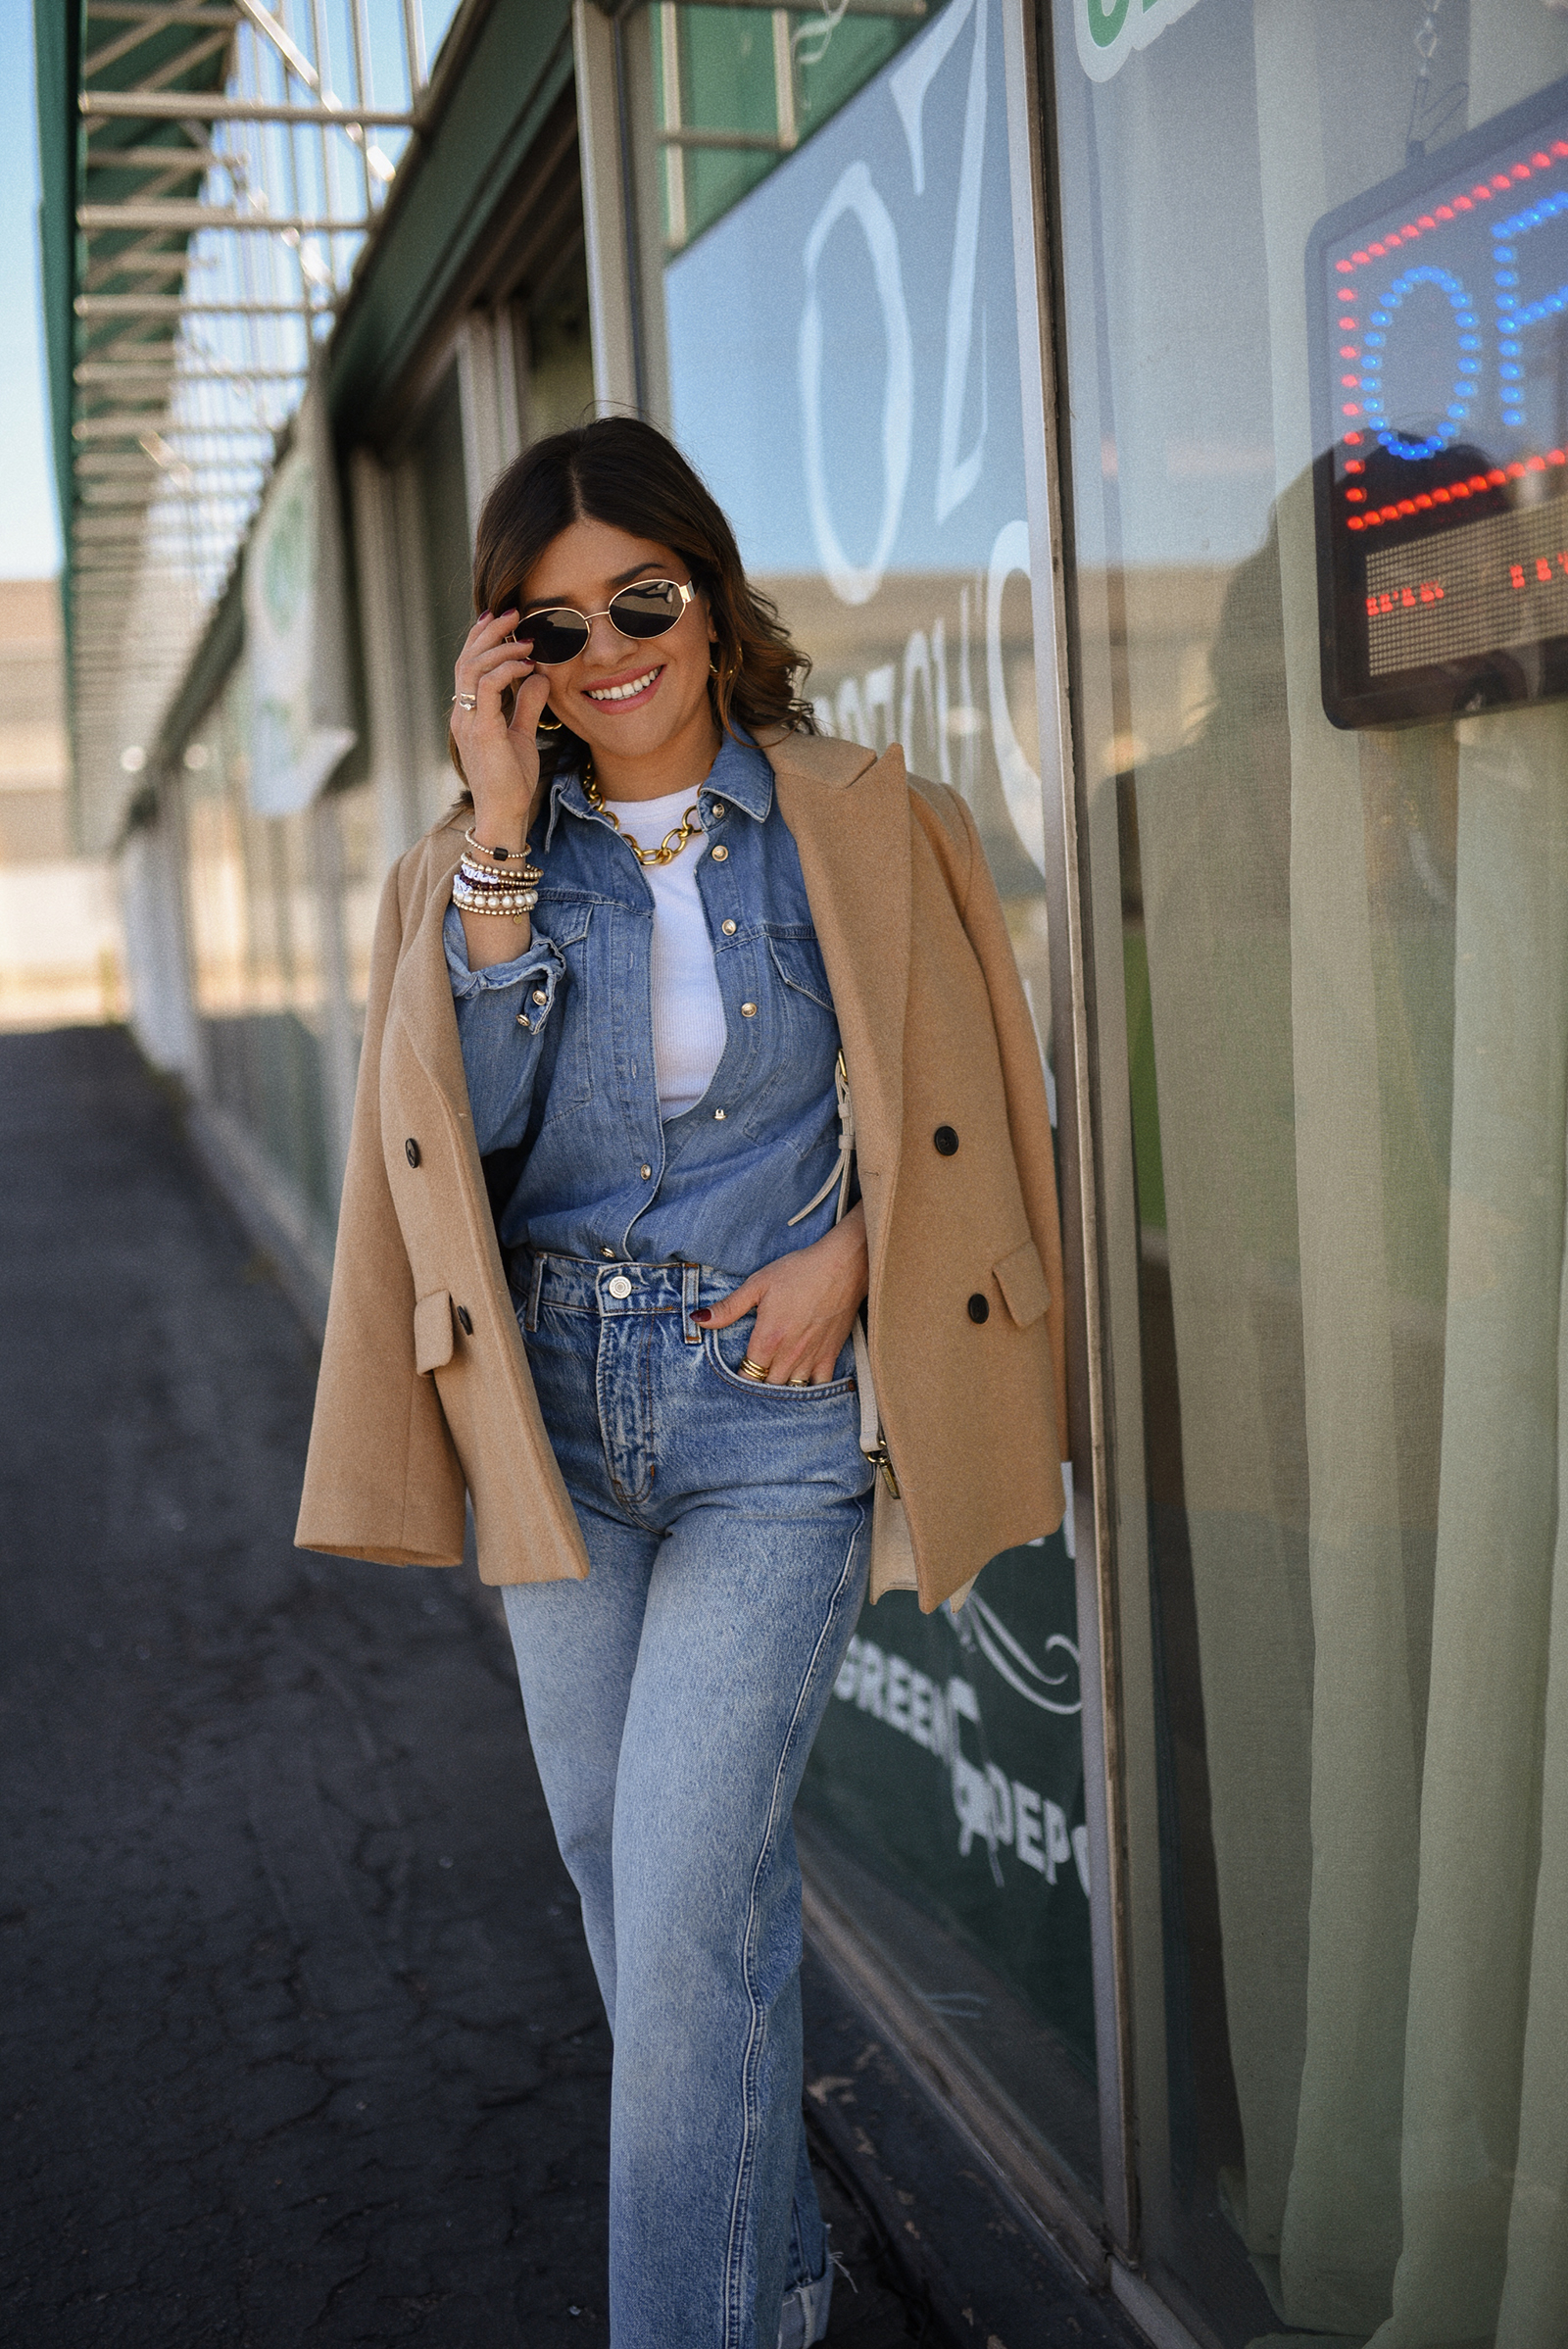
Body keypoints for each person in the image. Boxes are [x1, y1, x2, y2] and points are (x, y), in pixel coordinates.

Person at [296, 416, 1068, 2348]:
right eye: (552, 625)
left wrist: (858, 1256)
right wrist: (490, 836)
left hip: (764, 1415)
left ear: (707, 593)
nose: (609, 647)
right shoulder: (467, 871)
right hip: (550, 1415)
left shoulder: (870, 817)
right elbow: (450, 1150)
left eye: (639, 595)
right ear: (507, 660)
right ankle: (773, 2278)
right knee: (631, 1889)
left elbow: (976, 1106)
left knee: (688, 1890)